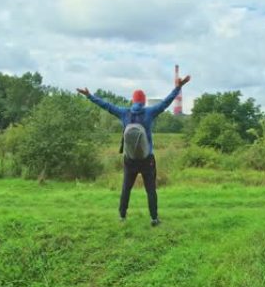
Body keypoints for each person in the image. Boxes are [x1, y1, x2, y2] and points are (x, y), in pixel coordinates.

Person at [77, 74, 191, 226]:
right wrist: (178, 87)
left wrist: (90, 96)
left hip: (129, 159)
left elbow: (106, 105)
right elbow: (166, 102)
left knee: (126, 189)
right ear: (143, 102)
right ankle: (154, 219)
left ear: (132, 100)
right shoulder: (149, 112)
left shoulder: (124, 113)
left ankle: (122, 217)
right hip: (147, 159)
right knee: (150, 190)